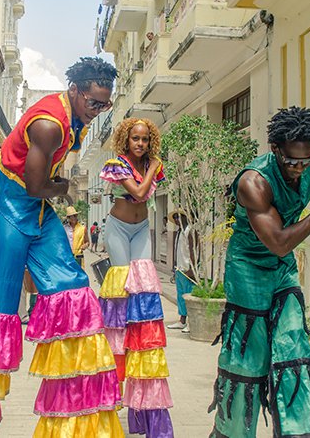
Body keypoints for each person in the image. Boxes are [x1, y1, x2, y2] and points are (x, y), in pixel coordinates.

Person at [0, 57, 124, 437]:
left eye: (105, 105)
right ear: (75, 92)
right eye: (94, 103)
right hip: (5, 205)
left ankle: (74, 425)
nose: (99, 111)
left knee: (73, 292)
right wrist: (63, 187)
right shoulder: (50, 125)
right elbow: (38, 186)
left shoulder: (75, 122)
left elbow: (36, 184)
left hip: (35, 209)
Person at [208, 107, 310, 438]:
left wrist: (308, 180)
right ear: (275, 149)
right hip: (248, 267)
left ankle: (300, 433)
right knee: (247, 360)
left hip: (281, 268)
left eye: (306, 161)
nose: (299, 169)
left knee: (295, 349)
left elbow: (281, 250)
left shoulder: (309, 165)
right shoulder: (254, 182)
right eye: (292, 161)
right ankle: (232, 432)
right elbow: (278, 242)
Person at [99, 117, 173, 437]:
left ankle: (144, 402)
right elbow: (141, 195)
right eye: (135, 139)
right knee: (120, 290)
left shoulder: (152, 165)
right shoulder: (118, 164)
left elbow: (147, 199)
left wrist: (155, 165)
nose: (140, 144)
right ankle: (112, 386)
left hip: (142, 228)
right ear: (126, 140)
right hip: (118, 229)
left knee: (143, 293)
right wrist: (155, 163)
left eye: (145, 139)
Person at [166, 209, 197, 333]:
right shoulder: (180, 232)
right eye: (175, 218)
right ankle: (182, 320)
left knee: (189, 295)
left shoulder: (191, 231)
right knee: (181, 295)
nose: (177, 220)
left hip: (187, 269)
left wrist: (192, 268)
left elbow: (194, 251)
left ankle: (190, 322)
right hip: (179, 268)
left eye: (178, 217)